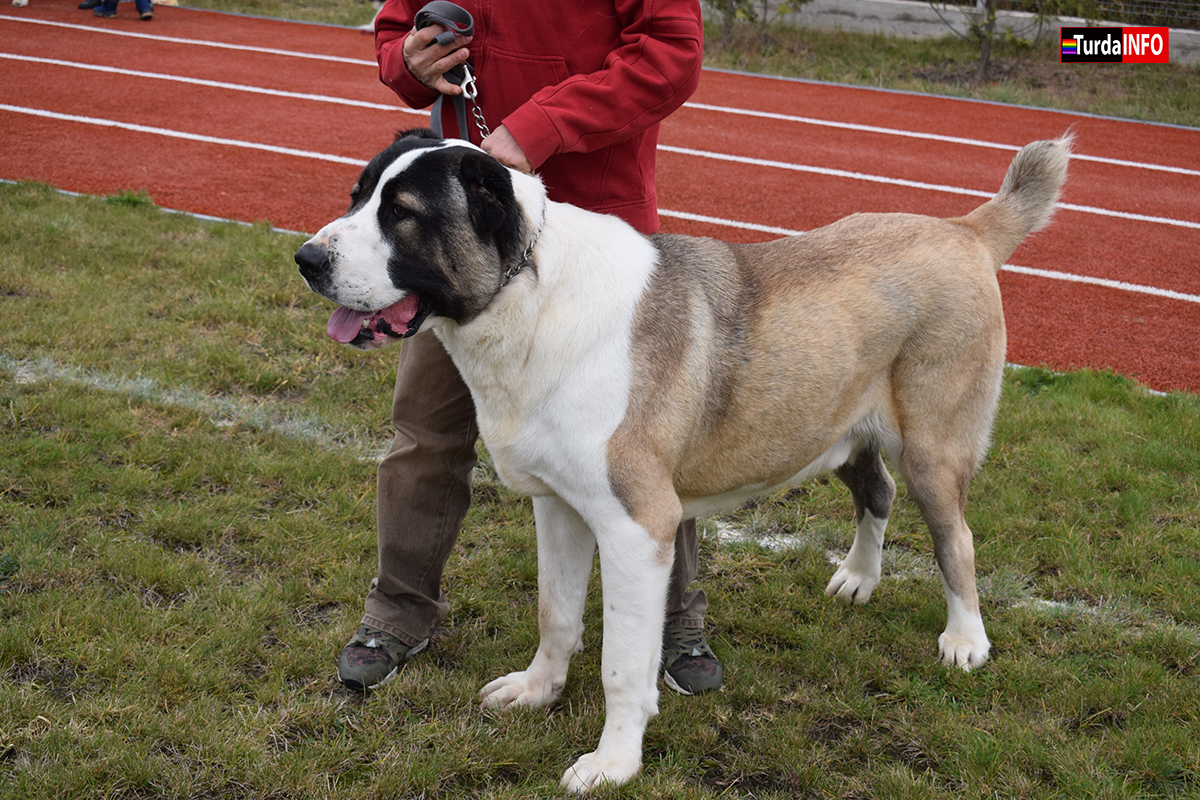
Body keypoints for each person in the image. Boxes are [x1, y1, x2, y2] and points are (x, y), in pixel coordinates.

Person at [337, 0, 724, 698]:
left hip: (600, 243)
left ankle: (676, 620)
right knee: (427, 426)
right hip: (457, 248)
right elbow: (399, 26)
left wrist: (543, 125)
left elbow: (670, 54)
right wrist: (407, 63)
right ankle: (399, 607)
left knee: (645, 442)